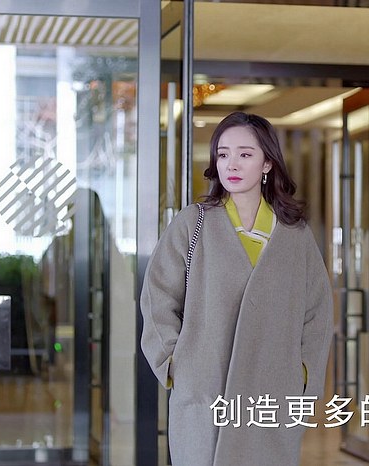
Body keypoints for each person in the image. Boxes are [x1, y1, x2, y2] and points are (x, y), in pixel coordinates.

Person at [140, 111, 333, 465]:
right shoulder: (193, 223)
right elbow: (158, 296)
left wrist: (303, 374)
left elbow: (317, 312)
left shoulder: (294, 234)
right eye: (223, 153)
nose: (232, 164)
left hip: (272, 394)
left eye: (245, 154)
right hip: (205, 392)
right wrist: (174, 363)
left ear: (267, 163)